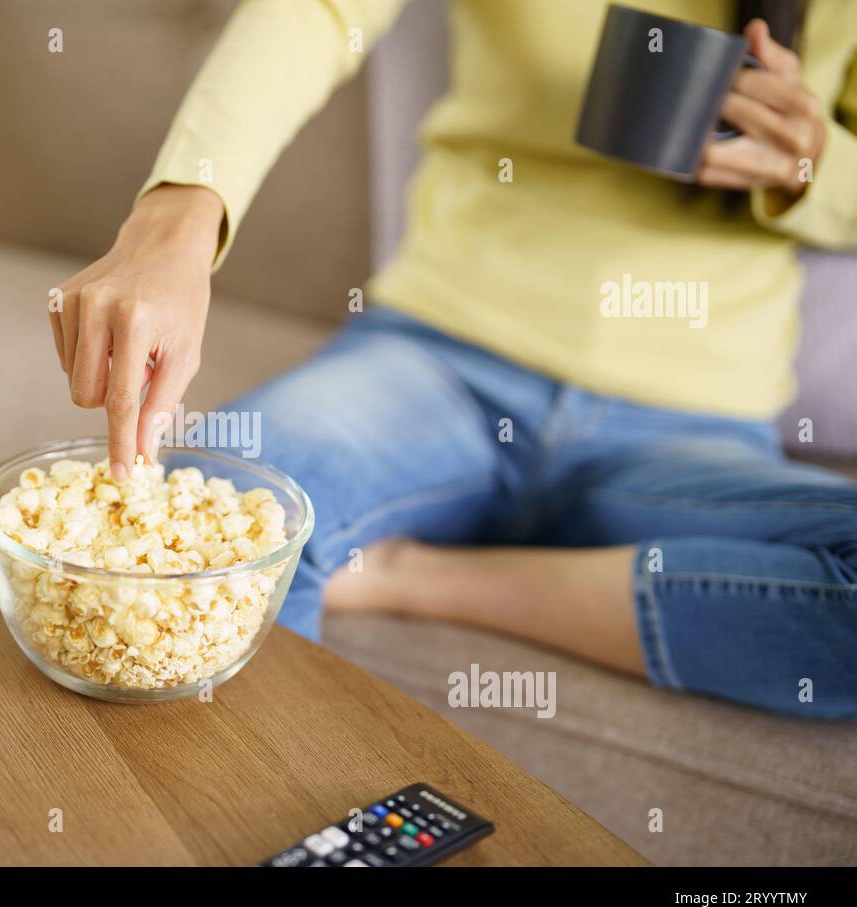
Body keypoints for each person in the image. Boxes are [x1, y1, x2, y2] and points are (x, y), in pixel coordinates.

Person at [45, 0, 857, 718]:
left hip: (693, 421)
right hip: (441, 360)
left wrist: (812, 165)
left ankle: (413, 576)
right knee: (203, 545)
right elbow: (316, 11)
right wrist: (181, 214)